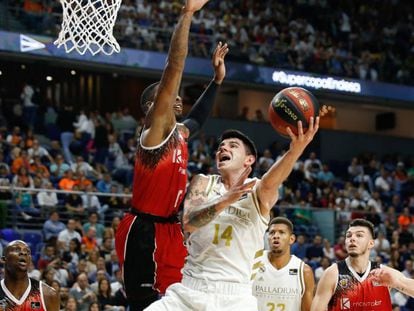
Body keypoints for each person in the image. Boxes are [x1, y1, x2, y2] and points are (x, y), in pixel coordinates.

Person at [114, 0, 228, 309]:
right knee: (144, 304)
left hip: (170, 229)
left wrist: (216, 81)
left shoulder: (179, 133)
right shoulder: (154, 133)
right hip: (143, 229)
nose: (176, 97)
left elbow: (199, 118)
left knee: (178, 301)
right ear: (152, 107)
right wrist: (186, 14)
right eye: (166, 96)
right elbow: (174, 67)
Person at [146, 117, 319, 310]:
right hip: (191, 290)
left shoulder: (258, 190)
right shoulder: (203, 182)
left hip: (235, 297)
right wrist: (226, 199)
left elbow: (271, 181)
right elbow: (189, 223)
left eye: (233, 146)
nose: (223, 149)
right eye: (221, 146)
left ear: (249, 160)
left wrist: (295, 150)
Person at [311, 219, 395, 311]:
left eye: (359, 235)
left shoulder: (384, 273)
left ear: (371, 243)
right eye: (348, 235)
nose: (352, 238)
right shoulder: (332, 274)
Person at [253, 217, 315, 311]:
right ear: (268, 237)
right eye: (272, 232)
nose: (276, 236)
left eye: (281, 232)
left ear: (291, 239)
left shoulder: (304, 271)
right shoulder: (254, 262)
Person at [0, 240, 60, 310]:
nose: (23, 253)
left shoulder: (48, 294)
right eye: (16, 250)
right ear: (4, 259)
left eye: (27, 252)